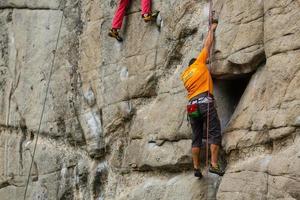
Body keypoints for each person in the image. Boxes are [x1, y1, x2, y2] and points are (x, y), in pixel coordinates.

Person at [180, 23, 224, 178]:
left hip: (191, 106)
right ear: (196, 61)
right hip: (204, 102)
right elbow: (207, 45)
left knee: (197, 136)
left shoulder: (185, 75)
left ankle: (196, 167)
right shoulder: (199, 63)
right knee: (214, 132)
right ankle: (214, 164)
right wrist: (211, 29)